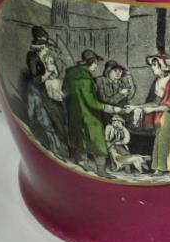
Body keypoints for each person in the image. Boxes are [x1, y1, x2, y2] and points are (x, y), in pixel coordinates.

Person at [62, 49, 122, 170]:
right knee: (96, 141)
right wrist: (109, 108)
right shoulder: (85, 79)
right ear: (89, 62)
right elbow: (91, 102)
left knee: (80, 139)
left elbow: (64, 92)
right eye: (94, 63)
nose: (96, 66)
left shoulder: (70, 75)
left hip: (74, 114)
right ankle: (100, 169)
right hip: (89, 115)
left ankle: (83, 162)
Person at [23, 26, 67, 156]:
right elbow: (36, 78)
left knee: (56, 116)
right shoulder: (33, 56)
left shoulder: (47, 54)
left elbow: (58, 61)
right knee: (44, 118)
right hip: (38, 89)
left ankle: (59, 148)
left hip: (49, 89)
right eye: (43, 43)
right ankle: (53, 148)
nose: (45, 46)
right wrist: (48, 75)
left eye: (46, 43)